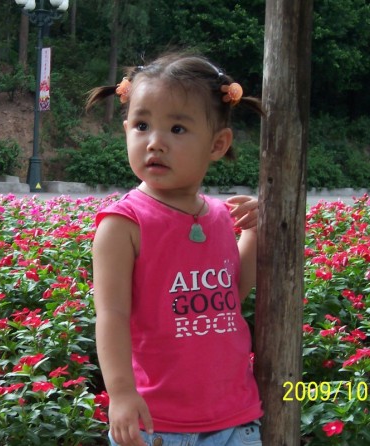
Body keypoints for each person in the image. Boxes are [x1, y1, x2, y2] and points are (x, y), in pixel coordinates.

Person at [88, 52, 264, 446]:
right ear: (126, 131)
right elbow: (112, 315)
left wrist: (253, 232)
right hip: (154, 423)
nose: (155, 143)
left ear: (217, 144)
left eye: (177, 129)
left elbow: (230, 295)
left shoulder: (220, 216)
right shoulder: (122, 224)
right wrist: (121, 393)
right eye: (142, 126)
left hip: (234, 419)